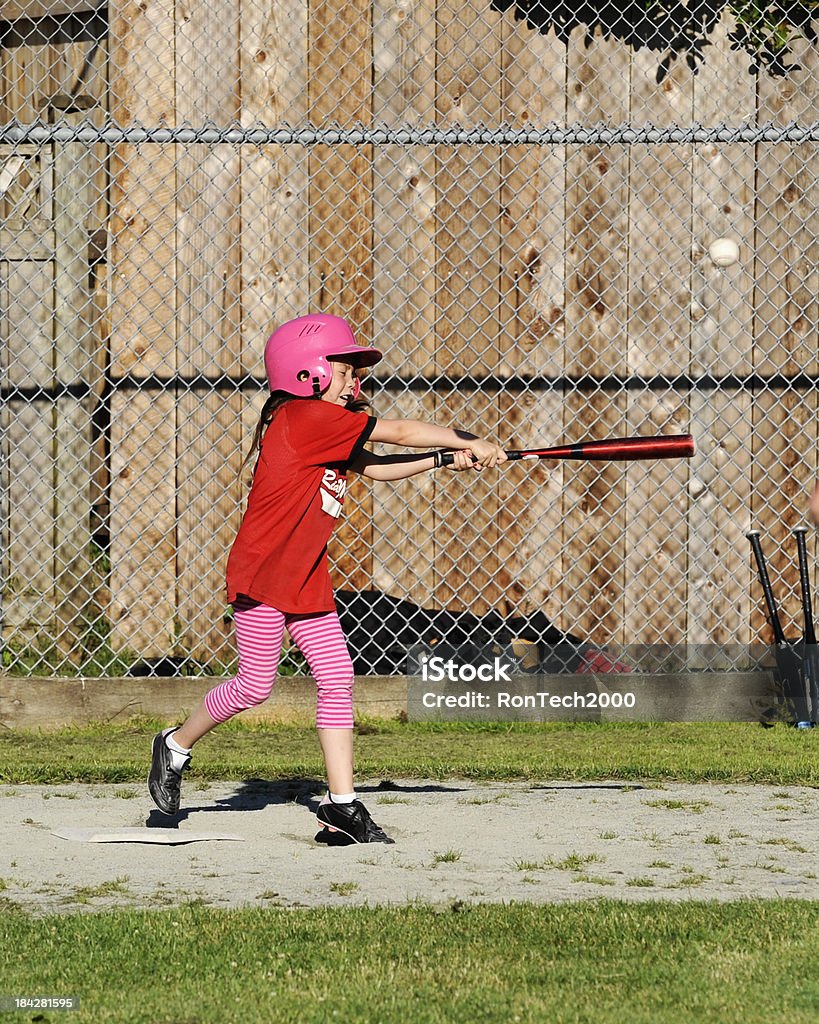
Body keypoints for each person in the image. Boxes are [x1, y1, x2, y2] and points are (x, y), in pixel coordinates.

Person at [149, 313, 506, 844]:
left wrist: (443, 458)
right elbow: (401, 431)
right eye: (344, 370)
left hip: (307, 576)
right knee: (254, 685)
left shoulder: (329, 426)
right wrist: (475, 439)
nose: (354, 381)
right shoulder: (303, 418)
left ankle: (342, 806)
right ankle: (174, 745)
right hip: (266, 573)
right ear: (307, 373)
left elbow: (379, 465)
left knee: (337, 678)